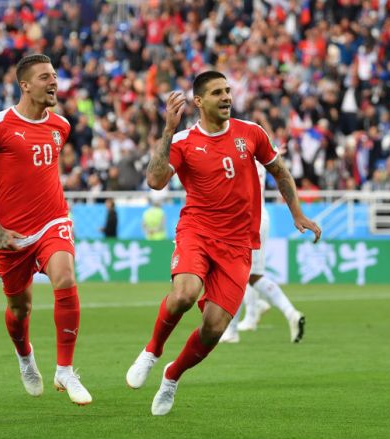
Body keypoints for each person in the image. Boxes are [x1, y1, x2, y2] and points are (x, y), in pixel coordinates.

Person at [124, 71, 321, 416]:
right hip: (197, 231)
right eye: (217, 92)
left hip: (238, 244)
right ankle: (152, 351)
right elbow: (154, 181)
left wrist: (298, 214)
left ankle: (172, 376)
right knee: (184, 294)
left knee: (214, 328)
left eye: (228, 90)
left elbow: (280, 172)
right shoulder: (184, 141)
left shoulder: (252, 133)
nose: (227, 97)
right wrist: (168, 130)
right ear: (199, 102)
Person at [0, 54, 91, 405]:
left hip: (53, 221)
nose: (54, 82)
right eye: (45, 77)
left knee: (65, 277)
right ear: (25, 85)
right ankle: (25, 357)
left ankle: (65, 370)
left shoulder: (60, 126)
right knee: (20, 309)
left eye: (55, 76)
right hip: (11, 235)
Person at [219, 161, 306, 344]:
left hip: (244, 217)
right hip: (261, 215)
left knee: (234, 274)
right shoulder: (256, 146)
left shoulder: (237, 147)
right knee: (254, 276)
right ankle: (290, 313)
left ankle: (231, 330)